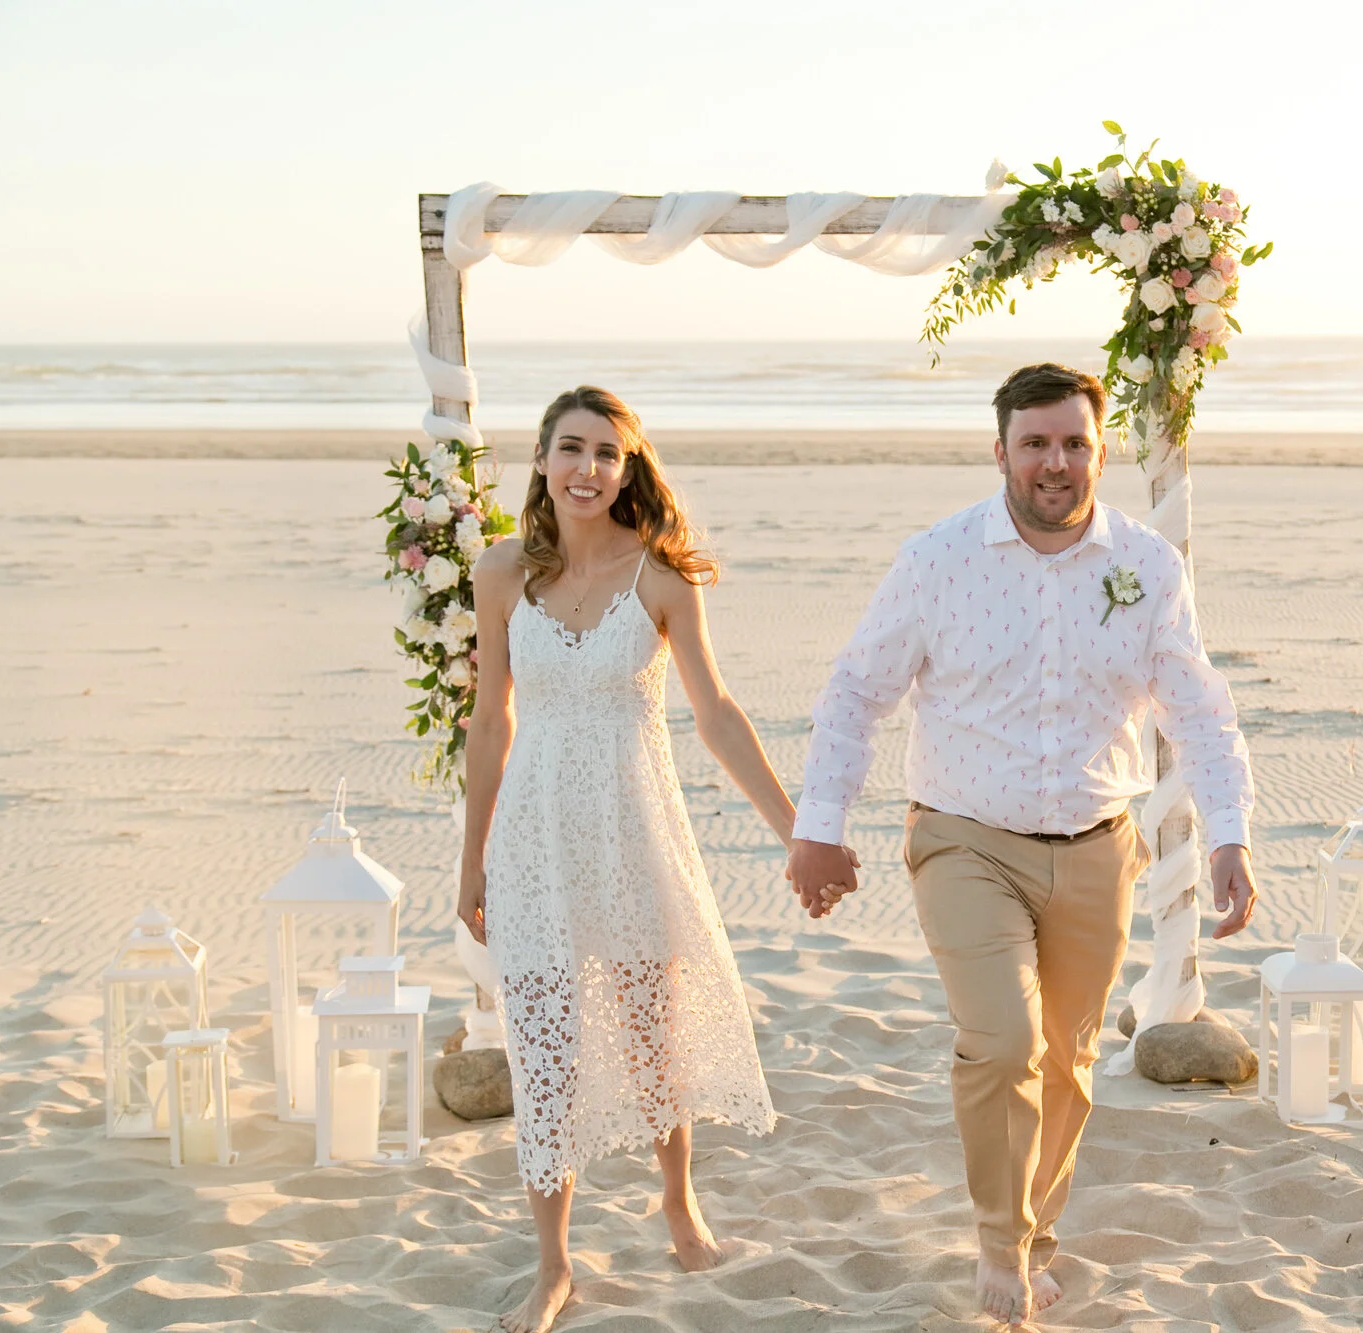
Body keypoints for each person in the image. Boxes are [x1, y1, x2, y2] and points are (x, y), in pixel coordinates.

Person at [787, 362, 1258, 1326]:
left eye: (1075, 442)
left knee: (1068, 1061)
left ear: (1100, 450)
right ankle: (999, 1244)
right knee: (1002, 1043)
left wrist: (1229, 837)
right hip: (966, 841)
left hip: (1099, 848)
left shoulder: (1149, 569)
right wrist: (818, 826)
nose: (1057, 461)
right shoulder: (937, 561)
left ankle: (1036, 1233)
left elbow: (1201, 716)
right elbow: (856, 695)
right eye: (1036, 442)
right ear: (998, 449)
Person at [460, 386, 844, 1333]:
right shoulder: (502, 572)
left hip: (634, 826)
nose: (588, 468)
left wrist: (800, 827)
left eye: (607, 453)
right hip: (536, 838)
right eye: (571, 449)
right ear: (542, 461)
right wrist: (470, 860)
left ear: (629, 468)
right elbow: (488, 722)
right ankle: (554, 1263)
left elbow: (716, 715)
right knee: (543, 1049)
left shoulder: (662, 578)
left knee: (650, 1033)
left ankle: (678, 1203)